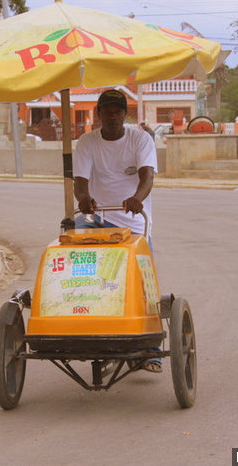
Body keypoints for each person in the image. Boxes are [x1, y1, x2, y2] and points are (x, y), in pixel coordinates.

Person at [73, 89, 161, 373]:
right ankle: (96, 338)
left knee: (143, 284)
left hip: (135, 223)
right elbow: (80, 181)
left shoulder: (140, 138)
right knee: (91, 280)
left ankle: (151, 350)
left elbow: (147, 175)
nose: (112, 116)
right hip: (97, 220)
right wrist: (83, 199)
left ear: (125, 114)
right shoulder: (87, 142)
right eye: (107, 111)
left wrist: (138, 198)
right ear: (98, 113)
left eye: (118, 111)